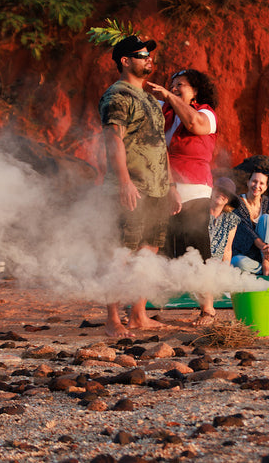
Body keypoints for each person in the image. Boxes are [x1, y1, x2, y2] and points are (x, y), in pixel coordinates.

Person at [98, 35, 180, 338]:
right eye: (142, 54)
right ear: (125, 61)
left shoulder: (148, 98)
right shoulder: (117, 96)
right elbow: (113, 139)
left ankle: (138, 315)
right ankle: (113, 319)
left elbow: (160, 146)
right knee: (120, 253)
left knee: (149, 250)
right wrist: (124, 181)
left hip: (157, 188)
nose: (149, 59)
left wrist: (170, 186)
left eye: (149, 54)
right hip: (132, 187)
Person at [148, 69, 218, 262]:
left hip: (194, 191)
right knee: (165, 252)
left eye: (180, 85)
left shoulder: (206, 113)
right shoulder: (165, 111)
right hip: (164, 188)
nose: (174, 88)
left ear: (195, 91)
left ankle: (205, 291)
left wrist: (170, 96)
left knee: (196, 252)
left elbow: (194, 123)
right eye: (172, 85)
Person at [194, 177, 240, 326]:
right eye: (219, 190)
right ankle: (209, 311)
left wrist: (225, 268)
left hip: (216, 261)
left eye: (226, 193)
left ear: (229, 200)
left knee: (213, 267)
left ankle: (207, 311)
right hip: (197, 257)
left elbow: (228, 248)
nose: (221, 194)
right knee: (204, 266)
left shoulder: (231, 219)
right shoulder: (198, 212)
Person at [231, 170, 269, 276]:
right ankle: (264, 268)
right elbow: (248, 232)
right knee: (236, 262)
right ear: (248, 182)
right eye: (254, 181)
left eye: (261, 183)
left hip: (267, 254)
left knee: (266, 219)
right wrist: (267, 250)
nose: (257, 186)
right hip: (246, 254)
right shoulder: (238, 203)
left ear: (266, 187)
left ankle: (265, 264)